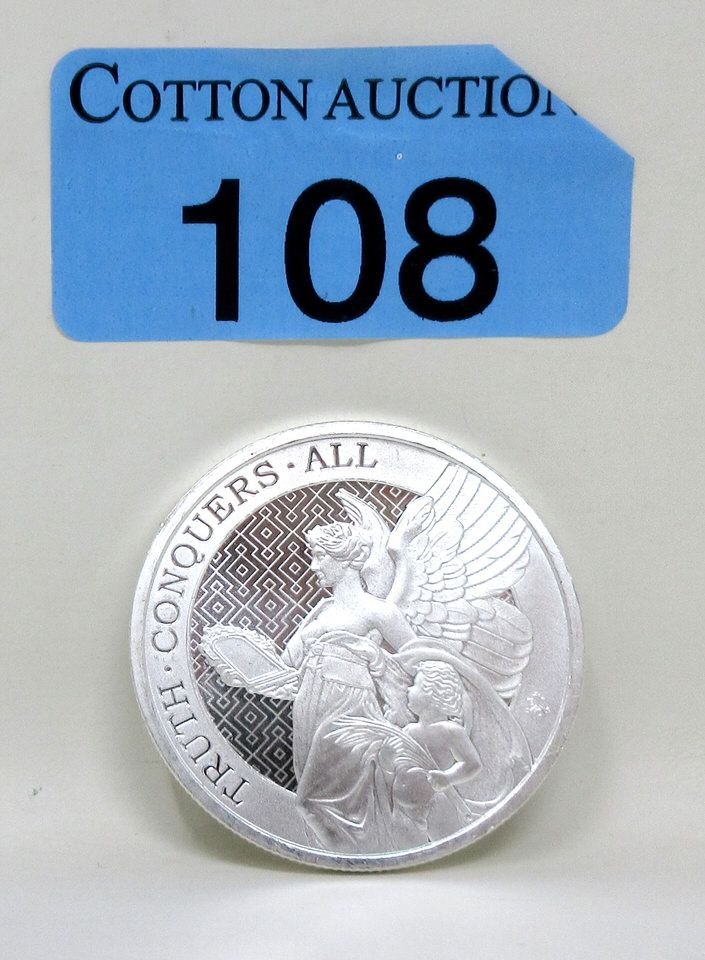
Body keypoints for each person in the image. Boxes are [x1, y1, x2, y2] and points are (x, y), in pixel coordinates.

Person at [280, 521, 417, 852]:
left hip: (351, 708)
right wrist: (310, 636)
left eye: (319, 556)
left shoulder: (379, 612)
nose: (313, 566)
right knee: (311, 796)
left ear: (343, 559)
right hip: (310, 701)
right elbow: (286, 662)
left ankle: (362, 854)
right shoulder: (323, 610)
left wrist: (375, 658)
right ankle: (340, 855)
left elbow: (421, 660)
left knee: (318, 800)